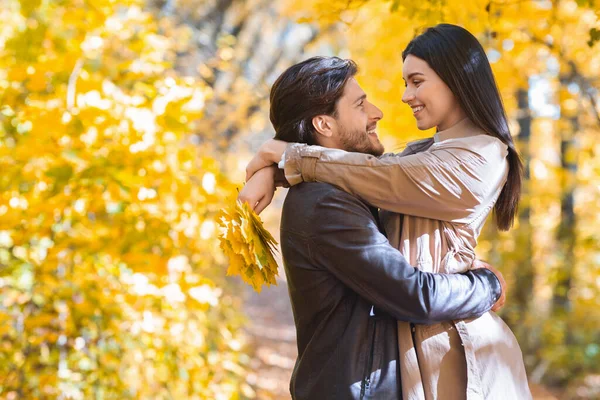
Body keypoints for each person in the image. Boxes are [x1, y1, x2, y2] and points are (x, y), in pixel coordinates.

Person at [242, 25, 532, 399]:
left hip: (466, 363)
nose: (402, 97)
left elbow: (379, 174)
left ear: (456, 79)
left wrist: (278, 158)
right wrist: (486, 285)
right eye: (361, 104)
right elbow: (374, 176)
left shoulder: (481, 156)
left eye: (416, 81)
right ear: (324, 123)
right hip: (423, 359)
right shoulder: (397, 167)